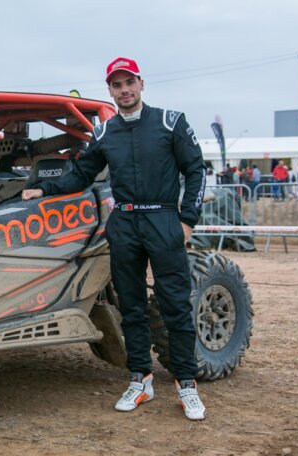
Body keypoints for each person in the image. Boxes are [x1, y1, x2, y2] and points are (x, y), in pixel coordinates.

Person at [21, 57, 208, 421]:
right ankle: (140, 379)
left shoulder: (171, 122)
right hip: (124, 222)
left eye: (129, 83)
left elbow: (196, 169)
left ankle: (186, 383)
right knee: (132, 306)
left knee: (175, 304)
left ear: (141, 83)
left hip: (164, 219)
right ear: (109, 90)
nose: (124, 90)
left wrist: (188, 220)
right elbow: (81, 174)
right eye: (116, 85)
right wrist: (44, 189)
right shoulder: (105, 132)